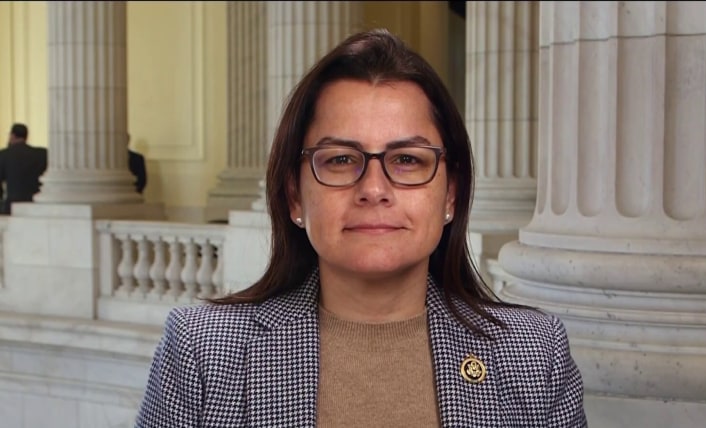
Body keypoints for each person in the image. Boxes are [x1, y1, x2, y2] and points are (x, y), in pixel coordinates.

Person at [135, 29, 587, 427]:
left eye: (407, 159)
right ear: (295, 196)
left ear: (450, 194)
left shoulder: (534, 357)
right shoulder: (204, 352)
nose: (373, 189)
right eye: (340, 159)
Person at [0, 123, 47, 215]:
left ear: (12, 136)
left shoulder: (4, 155)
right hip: (35, 204)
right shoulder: (41, 154)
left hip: (12, 205)